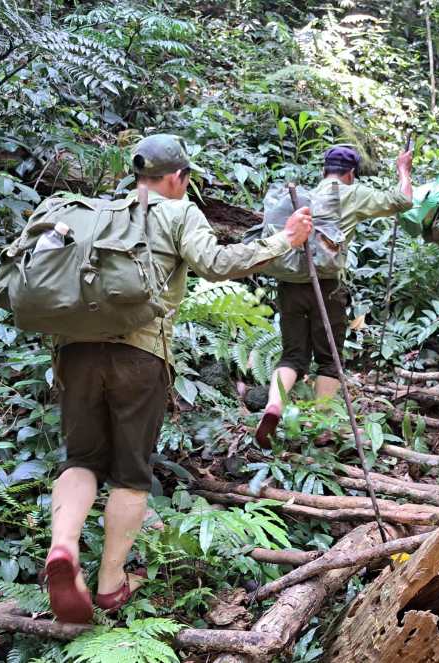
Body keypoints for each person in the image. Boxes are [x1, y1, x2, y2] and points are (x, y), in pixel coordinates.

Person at [44, 134, 313, 624]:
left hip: (75, 351)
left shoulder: (98, 213)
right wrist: (284, 241)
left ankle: (62, 549)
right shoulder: (178, 211)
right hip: (139, 357)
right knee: (129, 474)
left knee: (80, 458)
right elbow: (217, 264)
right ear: (177, 177)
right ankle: (109, 586)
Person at [255, 144, 413, 446]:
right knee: (329, 360)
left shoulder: (306, 195)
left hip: (290, 285)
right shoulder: (353, 193)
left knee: (292, 355)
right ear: (351, 172)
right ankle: (322, 424)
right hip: (327, 287)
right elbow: (402, 201)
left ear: (324, 170)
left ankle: (273, 405)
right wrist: (403, 169)